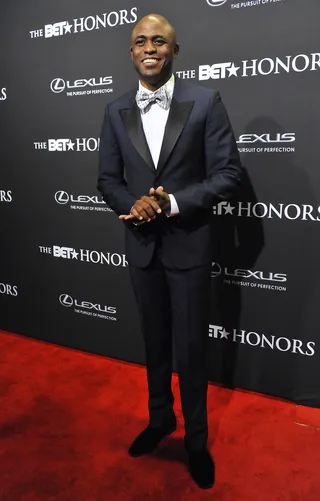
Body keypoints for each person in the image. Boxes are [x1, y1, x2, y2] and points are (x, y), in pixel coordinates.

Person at [97, 13, 242, 489]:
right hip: (141, 249)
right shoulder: (115, 109)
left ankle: (196, 442)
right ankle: (161, 420)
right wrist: (132, 203)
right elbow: (107, 180)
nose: (150, 47)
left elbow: (227, 175)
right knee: (154, 344)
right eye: (140, 41)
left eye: (160, 40)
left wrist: (173, 202)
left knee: (191, 349)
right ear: (131, 51)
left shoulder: (205, 101)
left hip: (188, 247)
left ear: (175, 51)